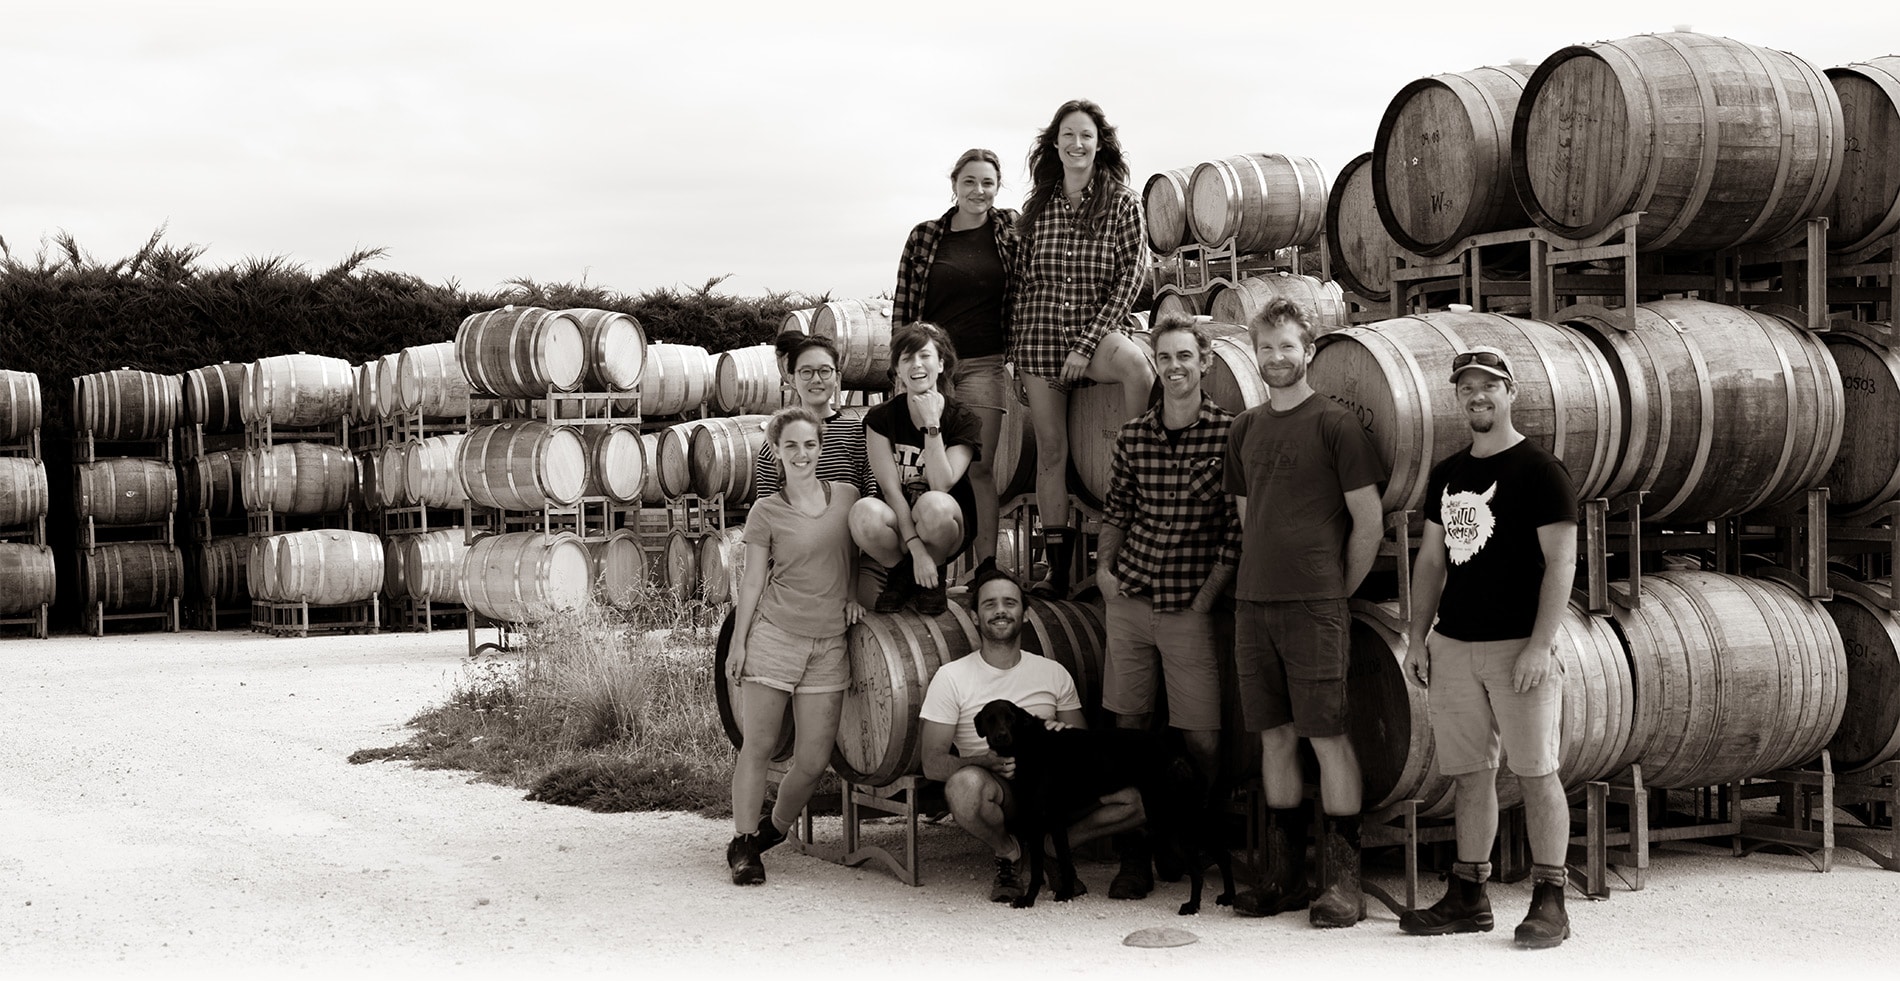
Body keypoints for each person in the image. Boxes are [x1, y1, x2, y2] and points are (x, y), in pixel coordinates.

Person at [1398, 346, 1579, 948]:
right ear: (1457, 396)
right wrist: (1416, 636)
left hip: (1517, 649)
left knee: (1536, 774)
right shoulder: (1447, 474)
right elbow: (1430, 560)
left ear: (1511, 392)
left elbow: (1561, 566)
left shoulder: (1541, 471)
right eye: (1466, 387)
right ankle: (1469, 896)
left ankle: (1551, 900)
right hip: (1453, 646)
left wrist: (1540, 645)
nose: (1477, 395)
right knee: (1469, 776)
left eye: (1488, 386)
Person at [1225, 298, 1385, 927]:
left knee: (1327, 734)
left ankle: (1344, 883)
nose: (1276, 358)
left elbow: (1367, 520)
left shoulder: (1336, 425)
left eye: (1287, 346)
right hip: (1252, 603)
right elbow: (1246, 516)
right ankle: (1285, 875)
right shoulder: (1245, 429)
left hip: (1315, 605)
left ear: (1309, 351)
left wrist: (1333, 590)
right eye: (1266, 348)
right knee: (1274, 737)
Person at [1095, 313, 1240, 896]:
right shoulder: (1134, 435)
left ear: (1205, 362)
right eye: (1165, 357)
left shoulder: (1230, 434)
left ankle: (1192, 837)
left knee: (1202, 735)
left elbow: (1235, 530)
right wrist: (1104, 573)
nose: (1175, 367)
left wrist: (1206, 600)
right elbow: (1117, 512)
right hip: (1129, 598)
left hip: (1189, 606)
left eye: (1186, 356)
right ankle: (1134, 851)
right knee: (1127, 727)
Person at [918, 566, 1144, 903]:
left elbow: (1086, 749)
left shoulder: (1052, 673)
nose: (1000, 611)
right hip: (1002, 793)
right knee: (963, 787)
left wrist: (1063, 734)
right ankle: (1008, 852)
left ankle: (1056, 843)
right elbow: (932, 763)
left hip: (1055, 790)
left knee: (1138, 798)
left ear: (1025, 613)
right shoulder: (952, 677)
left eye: (1010, 603)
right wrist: (987, 763)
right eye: (989, 604)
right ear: (975, 616)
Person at [1010, 99, 1155, 598]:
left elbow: (1131, 275)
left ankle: (1138, 462)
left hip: (1095, 331)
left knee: (1138, 369)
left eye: (1086, 136)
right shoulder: (1039, 206)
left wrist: (1088, 343)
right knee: (1051, 452)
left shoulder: (1121, 201)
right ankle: (1056, 570)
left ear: (1100, 143)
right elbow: (1024, 285)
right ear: (1055, 144)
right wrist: (1016, 355)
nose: (1077, 144)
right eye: (1068, 135)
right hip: (1040, 337)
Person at [725, 406, 864, 886]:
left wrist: (855, 596)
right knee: (759, 747)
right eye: (790, 446)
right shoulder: (766, 511)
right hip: (776, 637)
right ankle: (744, 845)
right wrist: (737, 645)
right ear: (776, 452)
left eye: (809, 444)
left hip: (829, 644)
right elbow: (750, 583)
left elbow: (864, 556)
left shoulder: (848, 498)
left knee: (812, 760)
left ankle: (774, 829)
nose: (801, 453)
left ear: (821, 447)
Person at [895, 148, 1020, 583]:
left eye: (987, 182)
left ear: (997, 188)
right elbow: (904, 307)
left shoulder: (1009, 236)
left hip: (986, 364)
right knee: (925, 469)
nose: (978, 190)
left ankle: (987, 567)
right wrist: (905, 366)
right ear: (954, 185)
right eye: (969, 181)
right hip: (934, 367)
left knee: (982, 469)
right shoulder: (926, 237)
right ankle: (926, 566)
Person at [850, 322, 983, 616]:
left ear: (941, 363)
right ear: (897, 369)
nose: (916, 364)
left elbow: (941, 484)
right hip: (900, 525)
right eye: (906, 358)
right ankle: (901, 572)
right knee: (863, 513)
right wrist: (915, 549)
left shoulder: (963, 418)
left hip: (946, 528)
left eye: (924, 355)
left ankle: (932, 574)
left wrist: (931, 423)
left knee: (934, 504)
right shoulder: (880, 418)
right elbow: (890, 490)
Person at [753, 331, 879, 605]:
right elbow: (767, 516)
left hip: (853, 558)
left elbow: (872, 497)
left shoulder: (856, 432)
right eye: (806, 372)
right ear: (792, 377)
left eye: (824, 371)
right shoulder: (774, 445)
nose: (816, 380)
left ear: (837, 376)